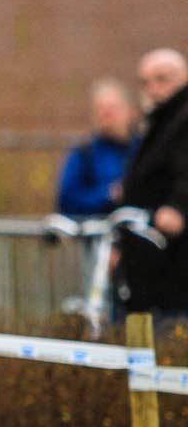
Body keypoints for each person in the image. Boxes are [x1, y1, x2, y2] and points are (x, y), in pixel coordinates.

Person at [118, 48, 188, 316]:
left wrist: (178, 207)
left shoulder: (181, 118)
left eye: (162, 79)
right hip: (146, 249)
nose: (153, 89)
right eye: (146, 82)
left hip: (174, 254)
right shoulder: (155, 121)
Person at [55, 79, 141, 217]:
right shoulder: (84, 152)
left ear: (131, 112)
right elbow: (66, 200)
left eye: (113, 109)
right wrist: (108, 195)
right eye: (100, 109)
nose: (106, 115)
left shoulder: (144, 149)